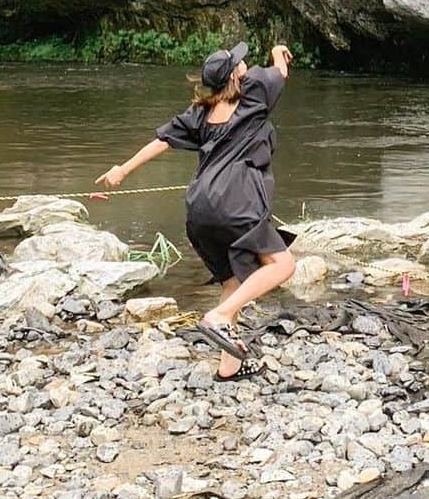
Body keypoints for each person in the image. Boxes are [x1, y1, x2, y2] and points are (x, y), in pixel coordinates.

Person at [94, 40, 296, 381]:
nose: (244, 63)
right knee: (283, 265)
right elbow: (281, 72)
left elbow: (161, 141)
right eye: (239, 63)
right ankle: (219, 316)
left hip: (199, 209)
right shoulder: (256, 93)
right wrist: (278, 52)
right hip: (237, 202)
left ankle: (228, 369)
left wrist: (122, 170)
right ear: (235, 77)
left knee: (233, 279)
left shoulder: (200, 112)